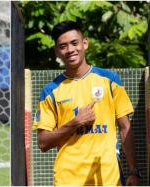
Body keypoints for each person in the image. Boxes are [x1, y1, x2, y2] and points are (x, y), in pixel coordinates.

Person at [33, 20, 140, 186]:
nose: (70, 50)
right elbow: (43, 142)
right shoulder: (50, 91)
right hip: (68, 180)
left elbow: (125, 127)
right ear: (57, 51)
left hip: (107, 179)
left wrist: (133, 171)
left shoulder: (110, 81)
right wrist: (75, 122)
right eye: (63, 46)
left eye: (74, 43)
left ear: (85, 43)